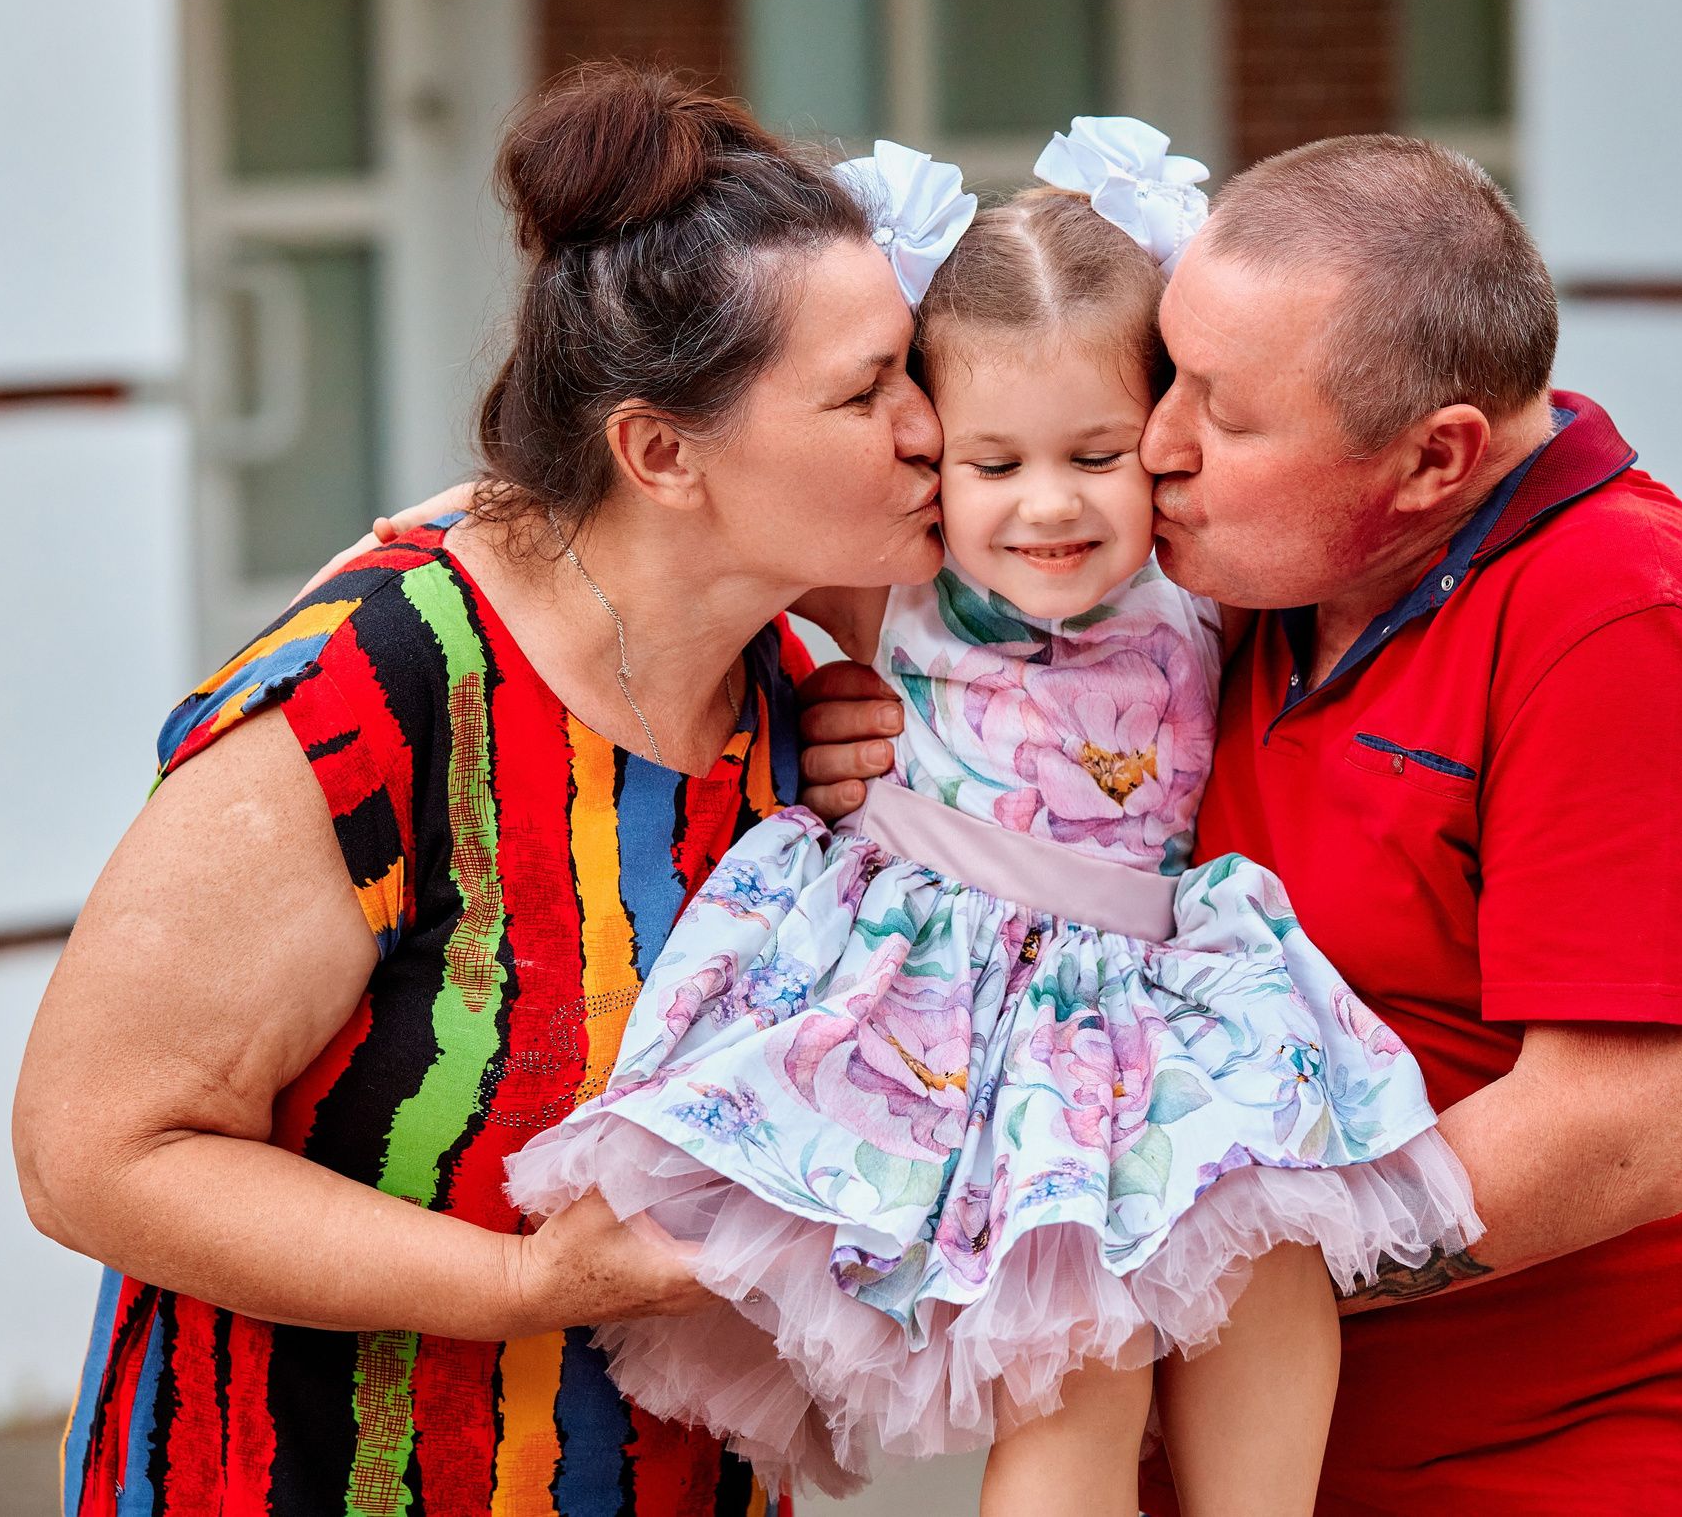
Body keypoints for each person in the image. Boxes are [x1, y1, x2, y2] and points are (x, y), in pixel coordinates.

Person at [794, 136, 1682, 1513]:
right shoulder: (1252, 576)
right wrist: (875, 750)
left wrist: (1157, 1250)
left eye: (1222, 411)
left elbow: (1619, 1132)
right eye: (1170, 375)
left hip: (1545, 1468)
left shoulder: (1619, 621)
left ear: (1435, 458)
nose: (1158, 445)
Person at [10, 63, 945, 1517]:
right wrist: (522, 1284)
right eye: (866, 391)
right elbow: (93, 1154)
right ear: (658, 452)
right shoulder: (369, 695)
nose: (930, 425)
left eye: (914, 369)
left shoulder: (789, 689)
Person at [504, 122, 1478, 1517]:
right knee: (1082, 1375)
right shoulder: (891, 576)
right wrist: (401, 551)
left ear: (1164, 443)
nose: (1048, 506)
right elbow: (616, 518)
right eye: (994, 463)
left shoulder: (1205, 582)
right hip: (949, 1011)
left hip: (1152, 997)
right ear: (931, 461)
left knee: (1272, 1267)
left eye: (1097, 453)